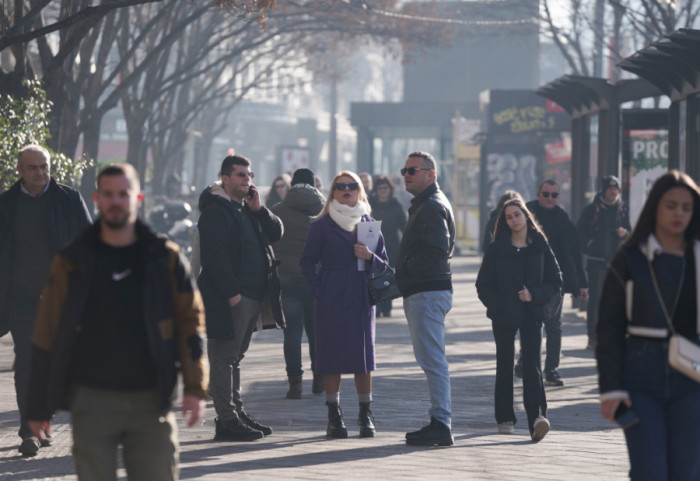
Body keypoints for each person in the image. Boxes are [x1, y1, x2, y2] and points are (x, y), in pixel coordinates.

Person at [25, 163, 208, 480]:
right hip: (91, 400)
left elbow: (190, 324)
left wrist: (195, 387)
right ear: (97, 198)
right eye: (108, 194)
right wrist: (37, 406)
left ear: (138, 197)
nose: (116, 201)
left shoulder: (164, 258)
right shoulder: (72, 260)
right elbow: (46, 333)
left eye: (123, 194)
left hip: (151, 399)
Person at [596, 170, 700, 480]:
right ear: (655, 206)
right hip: (641, 376)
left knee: (688, 472)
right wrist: (610, 389)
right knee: (649, 471)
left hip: (693, 376)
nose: (678, 213)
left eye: (686, 207)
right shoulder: (629, 258)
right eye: (670, 205)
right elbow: (609, 326)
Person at [0, 144, 92, 457]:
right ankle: (29, 430)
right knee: (27, 361)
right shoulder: (7, 204)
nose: (41, 173)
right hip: (20, 298)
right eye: (33, 168)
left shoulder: (68, 199)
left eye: (44, 166)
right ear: (19, 171)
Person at [197, 154, 285, 442]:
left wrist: (260, 210)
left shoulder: (247, 207)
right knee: (223, 358)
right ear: (225, 178)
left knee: (235, 358)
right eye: (240, 175)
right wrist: (232, 292)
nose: (247, 180)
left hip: (254, 295)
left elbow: (276, 232)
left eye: (249, 175)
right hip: (232, 297)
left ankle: (236, 412)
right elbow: (214, 257)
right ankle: (226, 420)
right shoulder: (215, 209)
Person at [300, 171, 389, 439]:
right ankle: (334, 415)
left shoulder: (370, 224)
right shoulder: (321, 225)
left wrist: (369, 255)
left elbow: (384, 264)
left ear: (360, 191)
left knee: (364, 358)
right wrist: (319, 289)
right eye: (341, 187)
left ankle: (365, 414)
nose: (347, 190)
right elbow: (306, 261)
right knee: (331, 357)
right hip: (331, 296)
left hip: (361, 296)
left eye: (352, 186)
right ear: (333, 193)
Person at [476, 199, 562, 442]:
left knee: (532, 365)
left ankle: (537, 418)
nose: (514, 219)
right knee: (504, 363)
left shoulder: (540, 246)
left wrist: (534, 294)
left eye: (517, 214)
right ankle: (505, 418)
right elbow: (483, 285)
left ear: (526, 216)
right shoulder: (497, 248)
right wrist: (499, 304)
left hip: (532, 313)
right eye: (509, 217)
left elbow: (556, 280)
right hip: (504, 314)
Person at [396, 151, 456, 447]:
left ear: (430, 174)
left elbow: (437, 249)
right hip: (426, 291)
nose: (406, 174)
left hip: (427, 292)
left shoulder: (431, 205)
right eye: (404, 169)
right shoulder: (427, 203)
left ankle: (441, 423)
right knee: (432, 359)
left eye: (412, 170)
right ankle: (439, 420)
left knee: (433, 360)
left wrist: (405, 268)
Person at [521, 180, 588, 386]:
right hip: (529, 279)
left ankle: (551, 369)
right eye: (546, 194)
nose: (550, 198)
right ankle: (526, 362)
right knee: (529, 324)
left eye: (554, 195)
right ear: (538, 193)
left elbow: (575, 252)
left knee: (553, 326)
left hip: (554, 281)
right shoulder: (526, 212)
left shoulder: (562, 219)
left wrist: (581, 283)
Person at [271, 168, 326, 398]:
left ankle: (295, 384)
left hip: (287, 278)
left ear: (292, 184)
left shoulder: (277, 211)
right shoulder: (325, 210)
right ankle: (319, 381)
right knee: (317, 333)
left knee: (292, 334)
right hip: (316, 279)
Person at [577, 175, 630, 349]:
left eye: (616, 189)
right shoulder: (592, 209)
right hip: (596, 262)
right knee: (596, 301)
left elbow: (630, 231)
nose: (613, 192)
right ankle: (593, 338)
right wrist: (591, 245)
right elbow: (580, 234)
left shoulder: (622, 209)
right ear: (604, 190)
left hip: (616, 262)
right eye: (610, 189)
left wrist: (625, 233)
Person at [369, 175, 407, 317]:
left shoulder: (396, 204)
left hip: (391, 245)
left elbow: (404, 225)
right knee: (375, 275)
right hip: (374, 245)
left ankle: (387, 306)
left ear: (390, 189)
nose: (383, 191)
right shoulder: (371, 205)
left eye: (385, 188)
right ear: (376, 190)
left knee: (387, 275)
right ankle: (377, 306)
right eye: (379, 188)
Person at [482, 190, 523, 254]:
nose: (513, 219)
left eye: (516, 214)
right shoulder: (523, 222)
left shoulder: (493, 219)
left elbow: (486, 245)